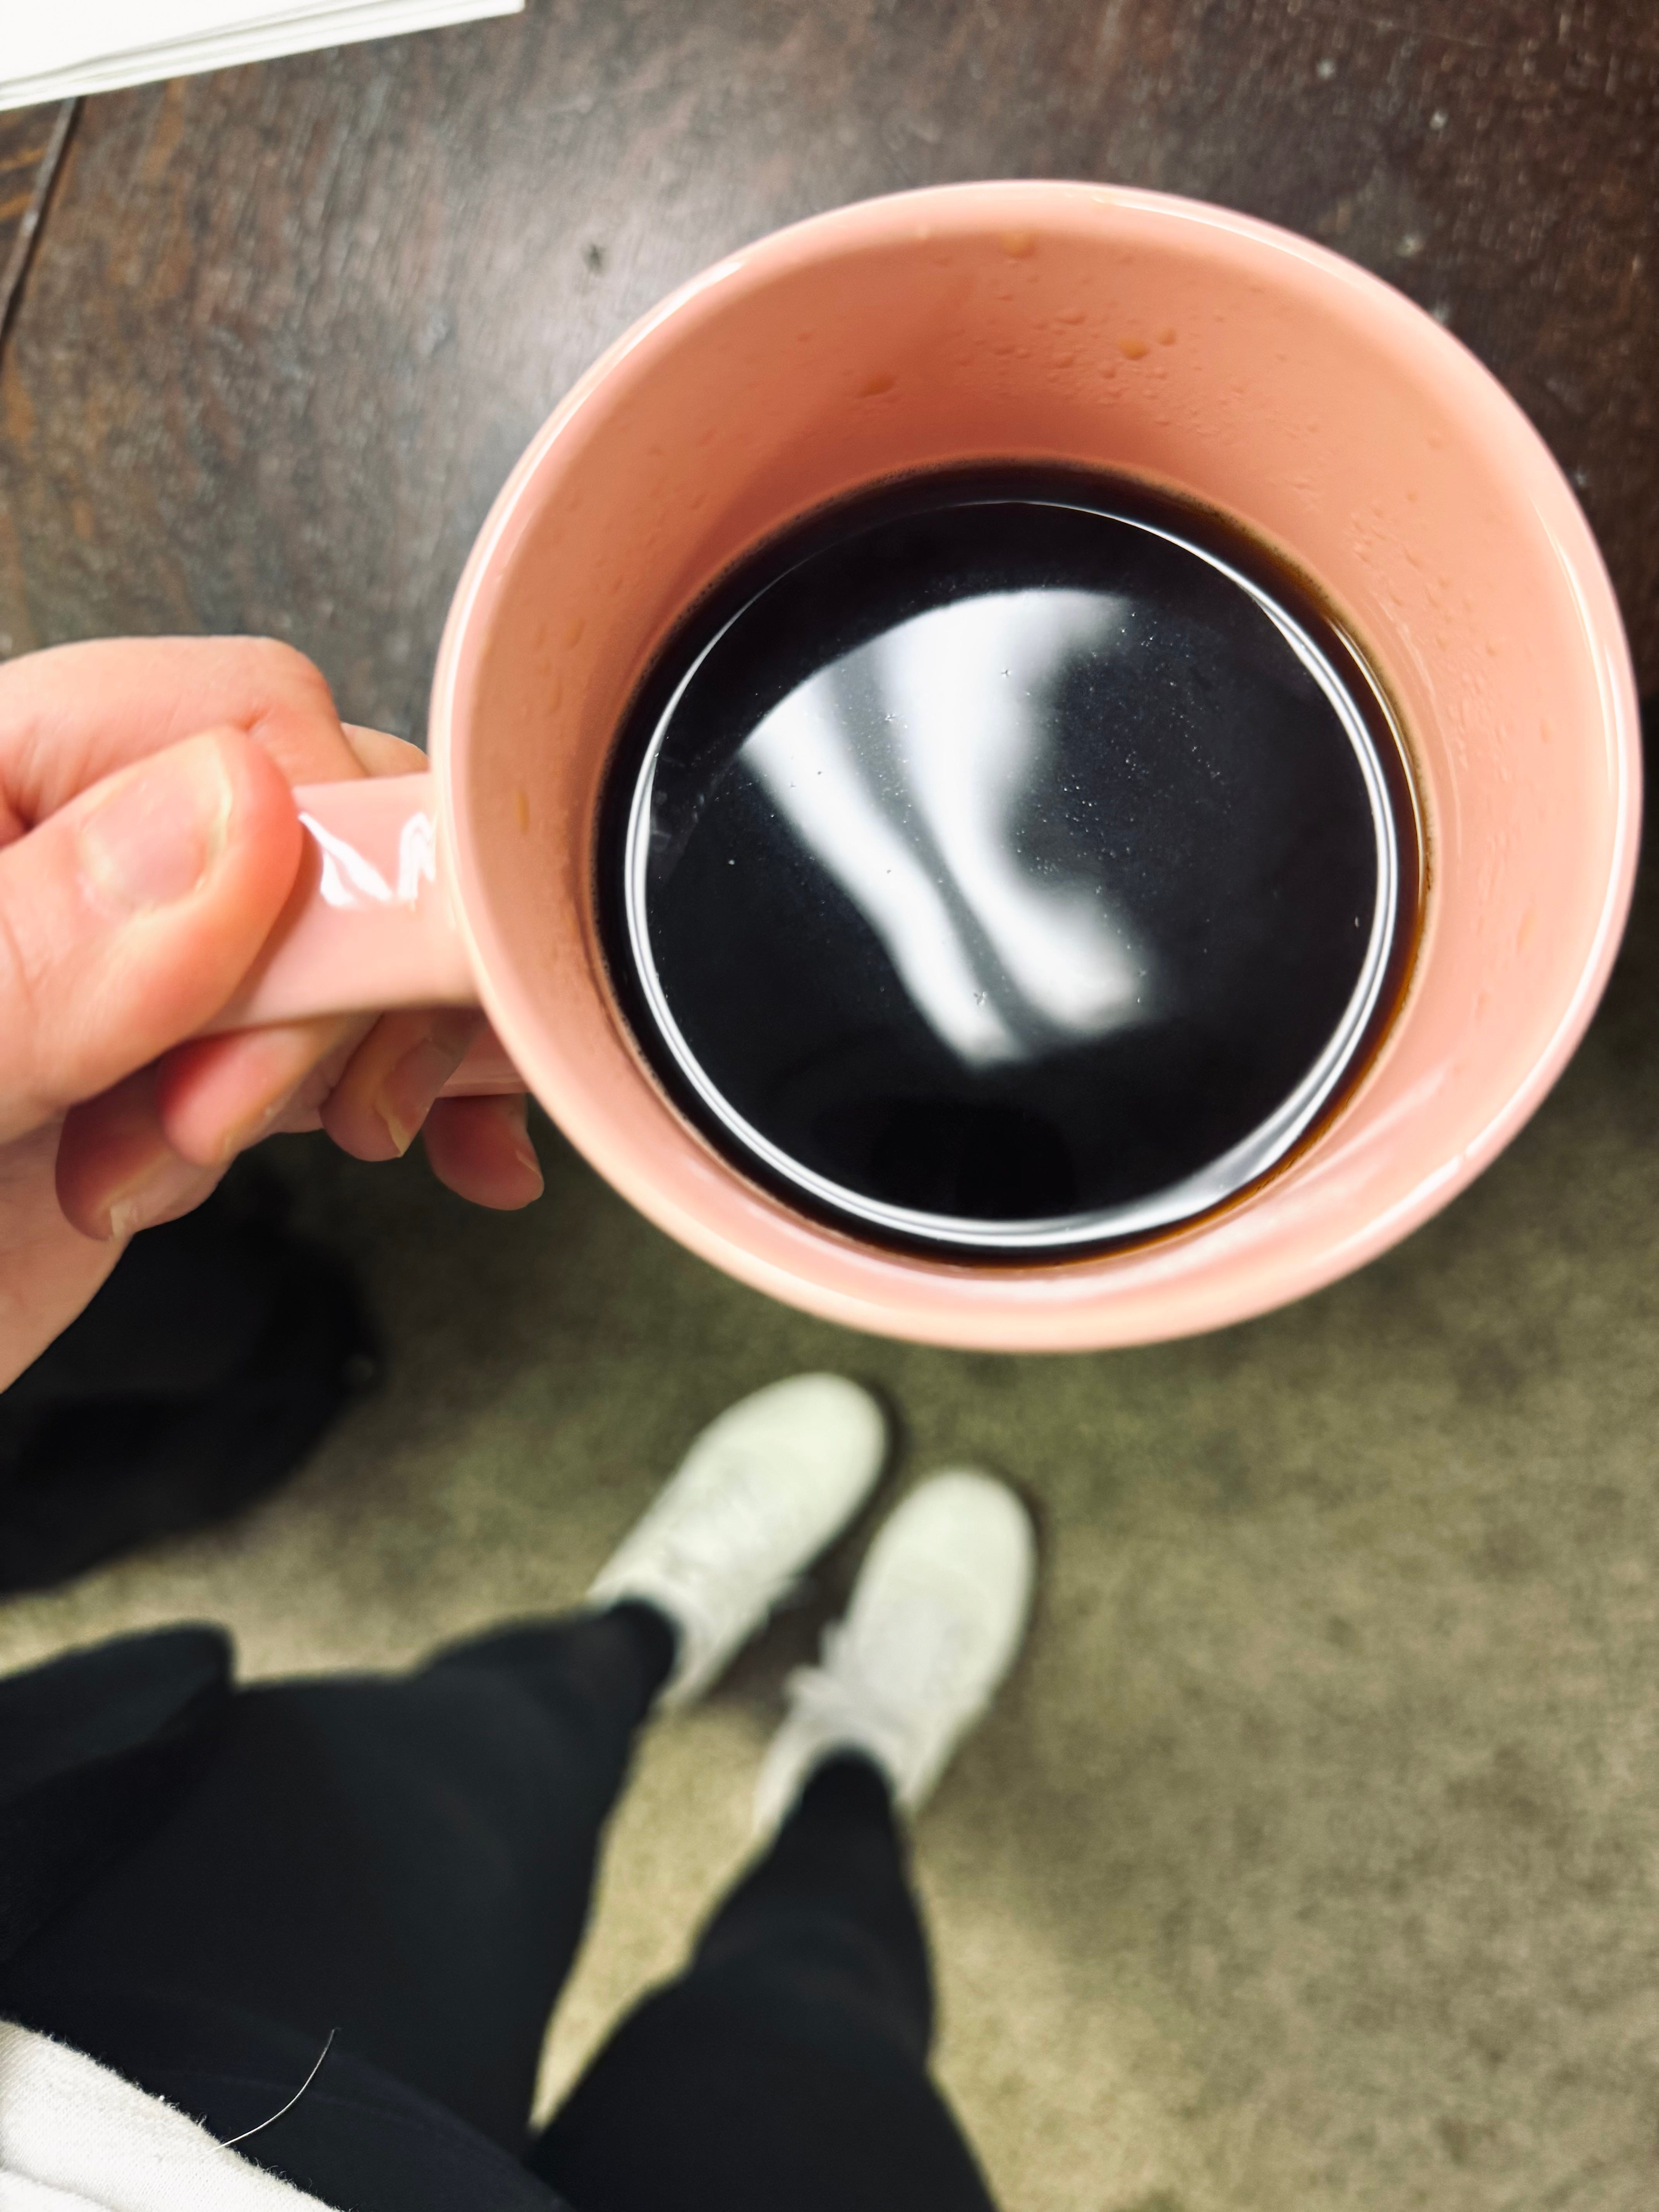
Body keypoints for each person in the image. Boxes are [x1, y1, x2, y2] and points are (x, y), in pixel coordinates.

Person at [0, 637, 1035, 2209]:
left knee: (473, 1769)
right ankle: (843, 1777)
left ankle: (648, 1645)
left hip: (66, 2016)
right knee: (820, 2034)